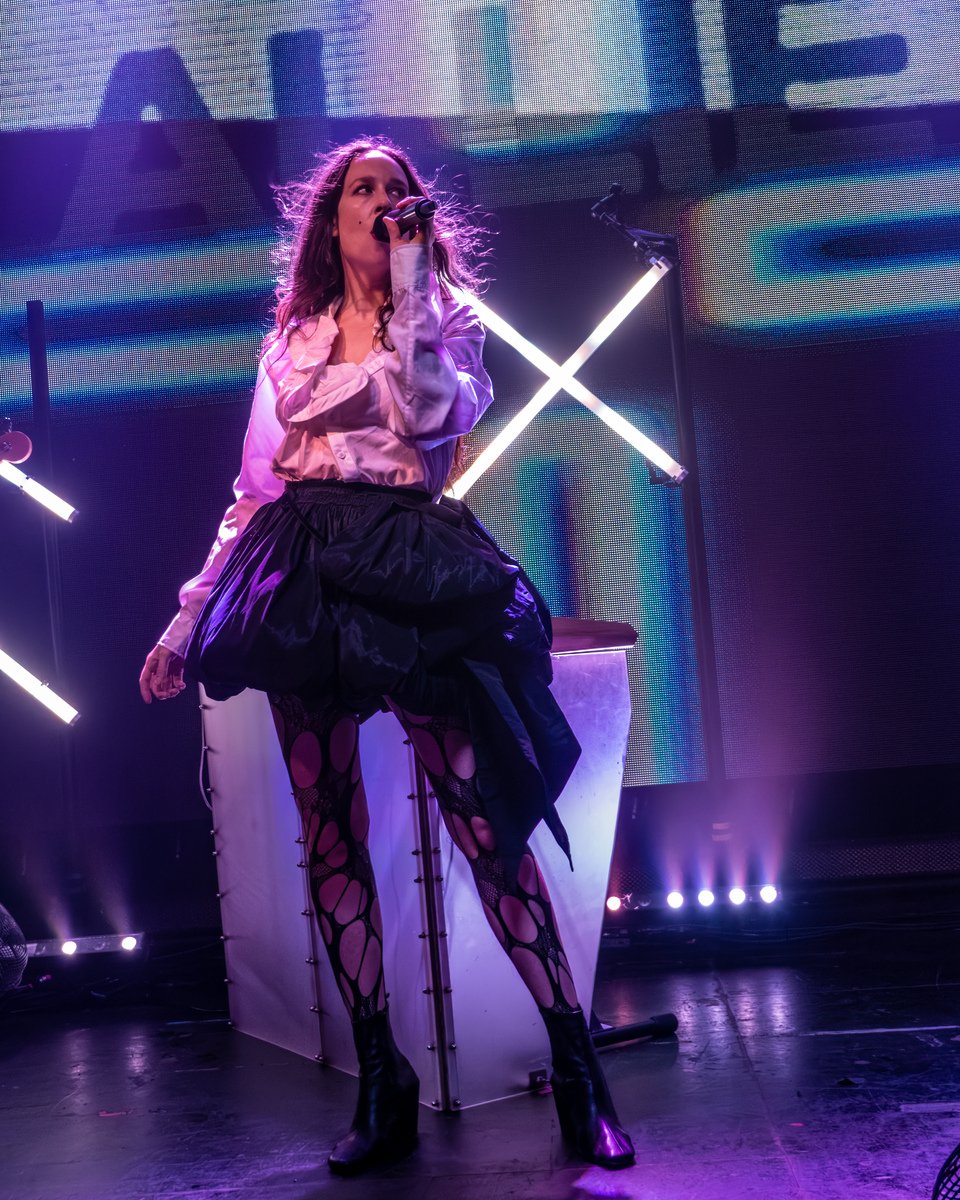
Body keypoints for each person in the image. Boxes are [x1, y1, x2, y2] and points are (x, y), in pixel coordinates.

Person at [138, 137, 635, 1175]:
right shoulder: (292, 343)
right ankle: (382, 1077)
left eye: (396, 190)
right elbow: (253, 493)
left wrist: (410, 285)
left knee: (481, 819)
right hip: (303, 564)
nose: (380, 200)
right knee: (329, 829)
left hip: (410, 556)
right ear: (332, 219)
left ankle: (577, 1067)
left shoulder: (447, 319)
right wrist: (187, 621)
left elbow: (431, 418)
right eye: (361, 189)